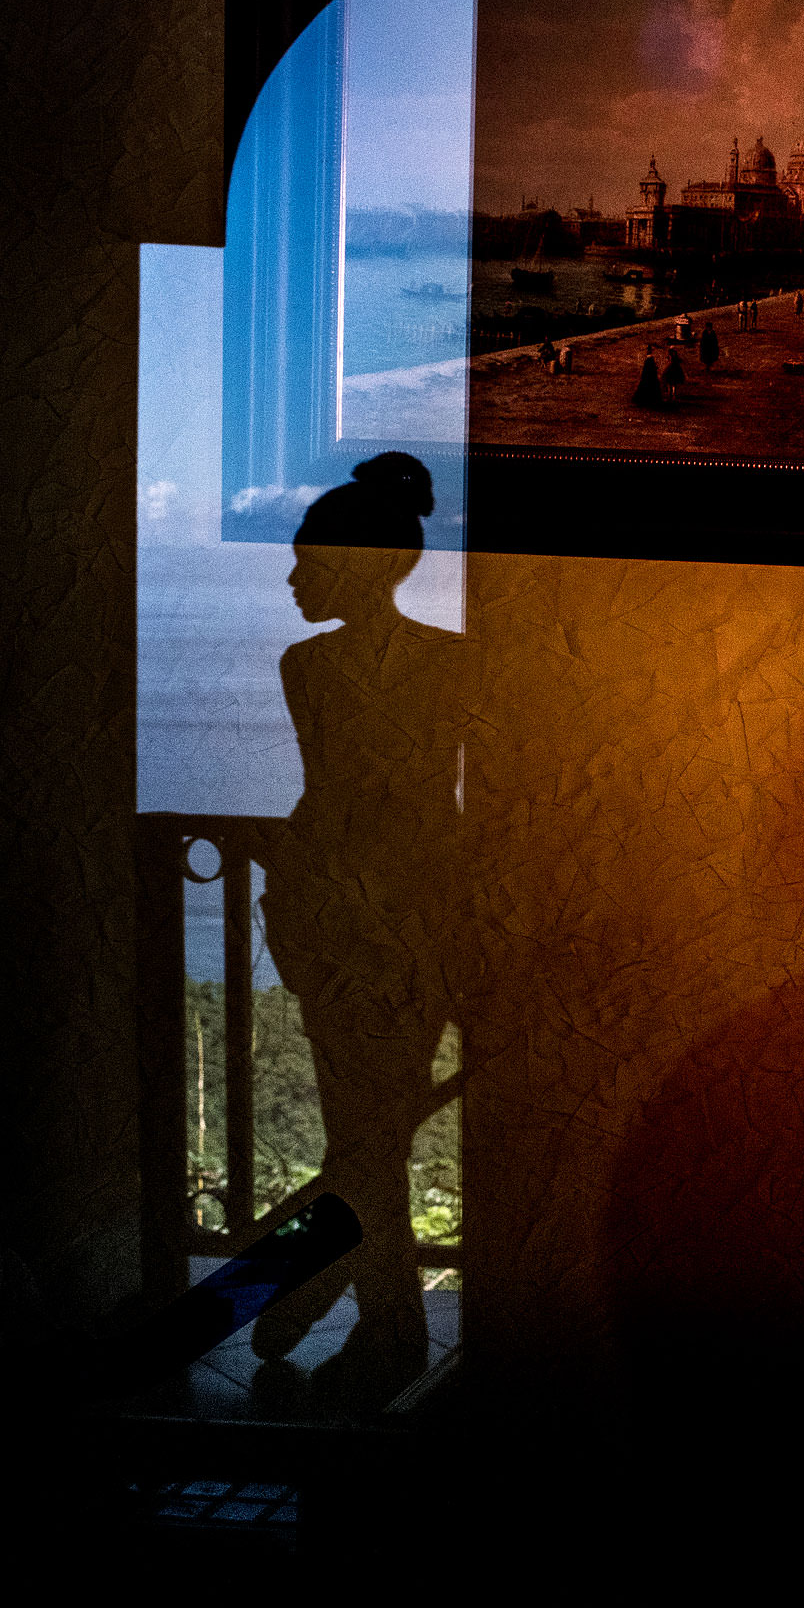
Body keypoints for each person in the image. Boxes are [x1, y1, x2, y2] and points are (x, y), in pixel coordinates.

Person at [251, 453, 474, 1413]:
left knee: (367, 1138)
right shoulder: (315, 665)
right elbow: (365, 795)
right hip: (350, 918)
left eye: (308, 561)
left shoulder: (436, 664)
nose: (294, 579)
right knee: (367, 1135)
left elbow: (356, 796)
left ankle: (349, 1310)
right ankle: (375, 1325)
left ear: (360, 563)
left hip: (398, 918)